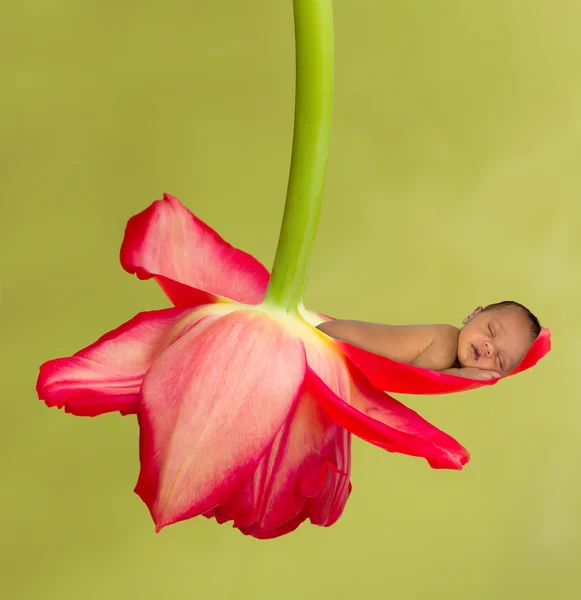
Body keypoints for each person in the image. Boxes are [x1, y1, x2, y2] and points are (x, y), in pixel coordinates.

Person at [316, 301, 541, 380]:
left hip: (336, 355)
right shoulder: (446, 341)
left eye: (500, 360)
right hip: (329, 344)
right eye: (491, 330)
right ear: (472, 315)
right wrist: (461, 375)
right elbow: (415, 377)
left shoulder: (451, 350)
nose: (489, 348)